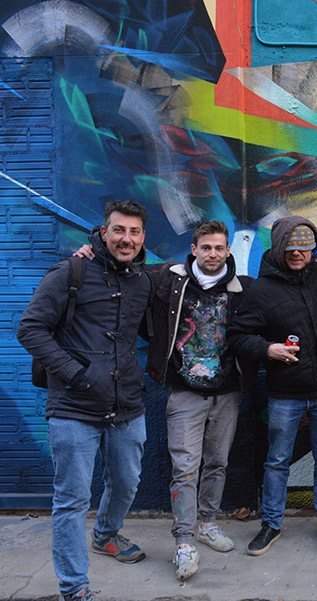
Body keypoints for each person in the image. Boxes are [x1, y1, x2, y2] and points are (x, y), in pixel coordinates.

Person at [17, 200, 153, 601]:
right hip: (73, 407)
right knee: (72, 499)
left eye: (134, 232)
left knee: (127, 483)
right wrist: (75, 374)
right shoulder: (70, 272)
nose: (126, 239)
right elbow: (30, 329)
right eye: (119, 230)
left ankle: (106, 534)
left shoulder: (144, 280)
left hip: (126, 405)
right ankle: (74, 588)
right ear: (104, 232)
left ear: (143, 237)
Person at [227, 216, 317, 557]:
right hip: (285, 394)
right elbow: (237, 336)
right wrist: (268, 349)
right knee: (277, 460)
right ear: (278, 247)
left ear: (314, 249)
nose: (297, 253)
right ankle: (271, 524)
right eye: (290, 247)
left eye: (304, 247)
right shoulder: (261, 290)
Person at [145, 221, 256, 579]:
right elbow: (126, 267)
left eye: (219, 248)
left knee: (218, 462)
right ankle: (183, 541)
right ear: (193, 249)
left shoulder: (241, 289)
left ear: (228, 250)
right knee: (184, 467)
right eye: (205, 247)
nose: (212, 254)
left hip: (227, 392)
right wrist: (89, 249)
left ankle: (208, 523)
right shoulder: (169, 280)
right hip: (184, 393)